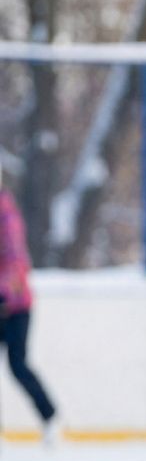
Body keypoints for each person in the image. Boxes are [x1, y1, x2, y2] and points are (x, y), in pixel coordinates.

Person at [0, 165, 59, 444]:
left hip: (15, 306)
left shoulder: (6, 215)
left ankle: (49, 417)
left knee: (18, 365)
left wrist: (4, 294)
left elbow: (15, 261)